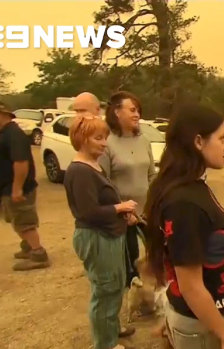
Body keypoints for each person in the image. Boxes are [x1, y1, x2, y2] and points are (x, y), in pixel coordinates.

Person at [144, 103, 224, 349]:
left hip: (204, 317)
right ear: (198, 142)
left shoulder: (191, 186)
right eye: (222, 138)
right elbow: (190, 285)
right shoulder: (184, 203)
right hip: (204, 326)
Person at [64, 114, 138, 349]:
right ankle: (105, 344)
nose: (104, 143)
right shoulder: (79, 171)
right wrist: (120, 207)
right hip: (97, 239)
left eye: (105, 137)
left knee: (116, 285)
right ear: (82, 139)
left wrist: (123, 214)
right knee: (105, 290)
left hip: (109, 235)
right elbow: (87, 212)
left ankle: (112, 329)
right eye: (98, 138)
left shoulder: (93, 166)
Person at [99, 91, 156, 287]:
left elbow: (151, 175)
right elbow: (102, 182)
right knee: (131, 264)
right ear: (116, 112)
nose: (137, 114)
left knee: (156, 256)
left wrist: (155, 202)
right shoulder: (106, 143)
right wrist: (122, 209)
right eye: (132, 110)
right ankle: (134, 299)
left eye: (138, 110)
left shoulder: (144, 140)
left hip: (146, 212)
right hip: (124, 216)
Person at [0, 102, 50, 271]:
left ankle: (38, 254)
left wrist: (17, 188)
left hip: (18, 188)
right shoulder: (6, 133)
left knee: (24, 221)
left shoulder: (13, 134)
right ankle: (28, 246)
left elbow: (21, 162)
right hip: (9, 187)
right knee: (16, 219)